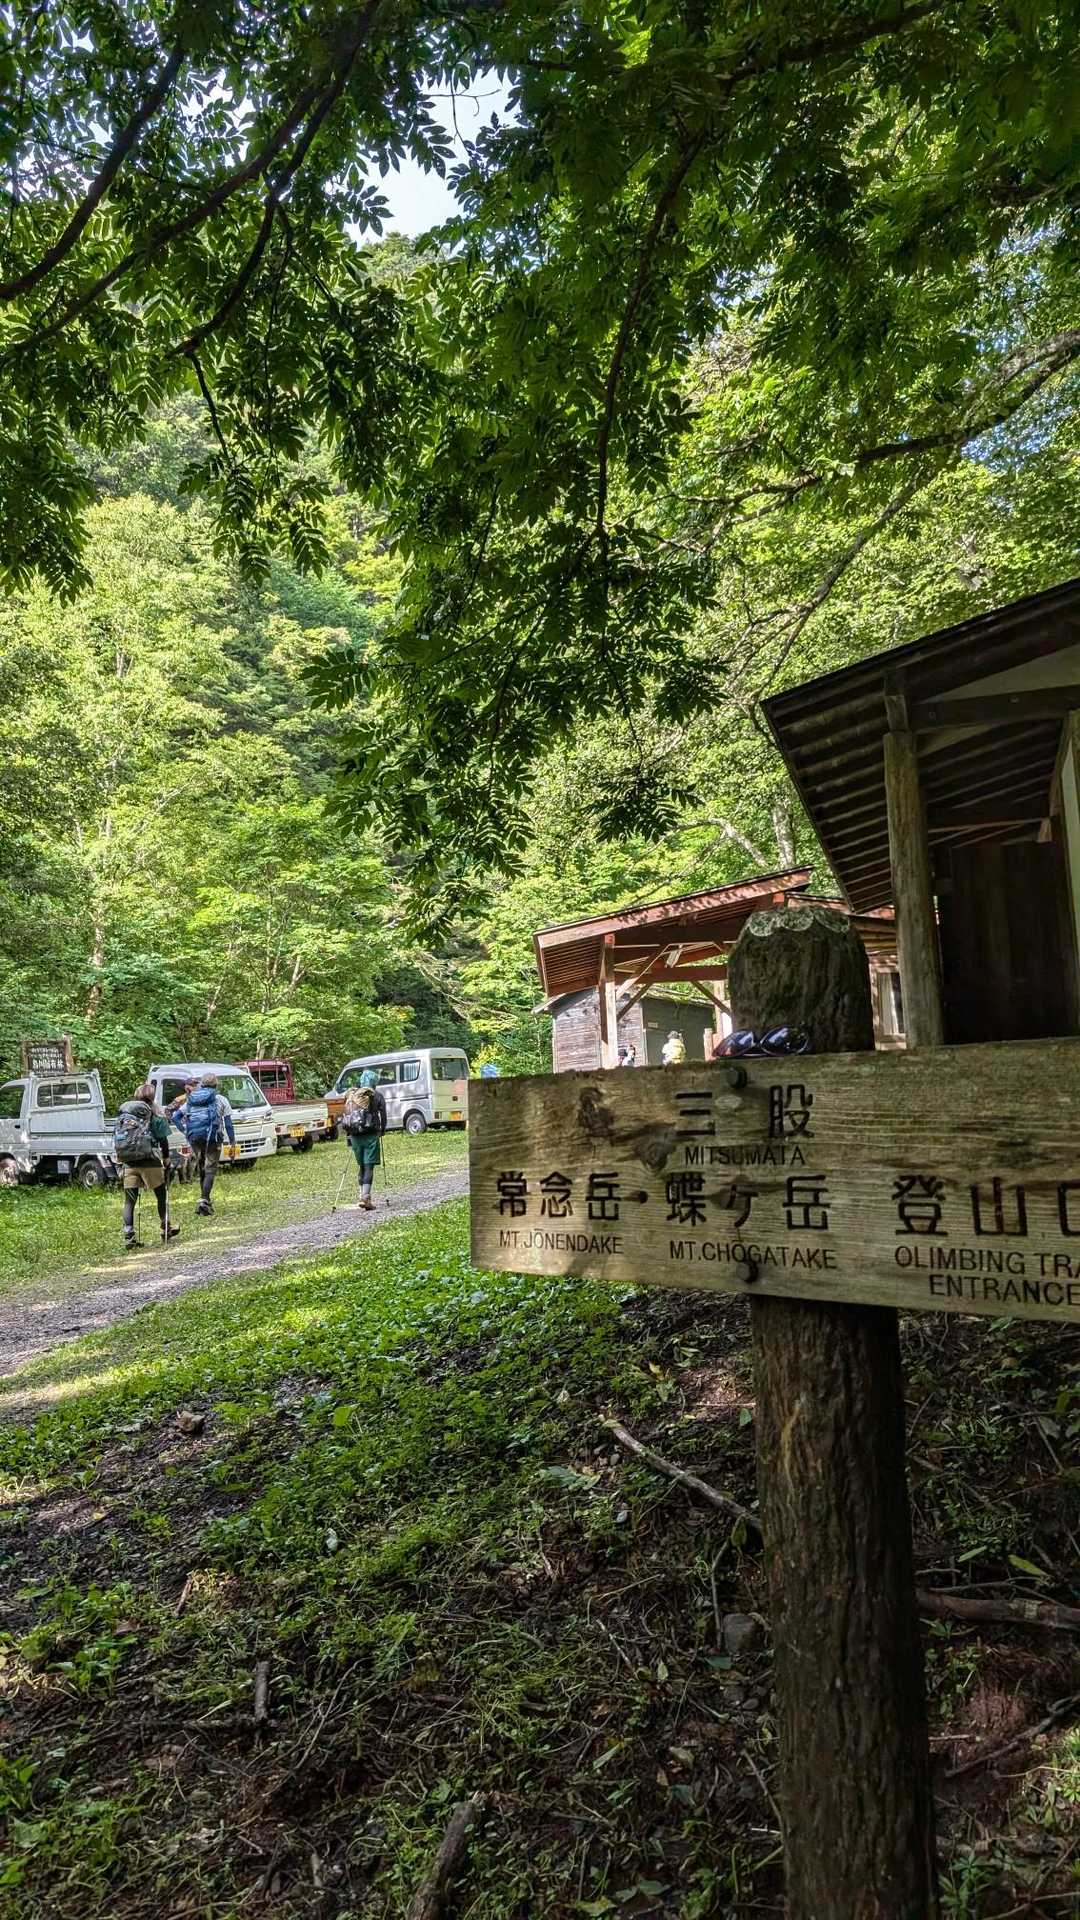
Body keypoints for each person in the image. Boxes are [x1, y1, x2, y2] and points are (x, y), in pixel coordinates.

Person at [113, 1082, 180, 1251]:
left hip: (129, 1162)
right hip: (150, 1161)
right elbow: (163, 1140)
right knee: (161, 1195)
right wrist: (166, 1159)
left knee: (129, 1201)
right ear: (152, 1097)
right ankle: (166, 1228)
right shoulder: (154, 1115)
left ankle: (129, 1236)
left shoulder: (125, 1116)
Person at [183, 1073, 236, 1217]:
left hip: (195, 1137)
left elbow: (176, 1116)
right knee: (210, 1169)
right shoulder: (221, 1099)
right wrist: (232, 1142)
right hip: (213, 1137)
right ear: (216, 1084)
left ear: (201, 1084)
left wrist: (185, 1131)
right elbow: (228, 1124)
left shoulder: (192, 1099)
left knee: (202, 1166)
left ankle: (205, 1200)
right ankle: (204, 1200)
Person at [343, 1067, 386, 1209]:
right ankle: (366, 1197)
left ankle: (361, 1195)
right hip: (370, 1135)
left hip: (355, 1136)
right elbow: (383, 1116)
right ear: (374, 1082)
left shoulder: (354, 1095)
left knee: (361, 1166)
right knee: (368, 1167)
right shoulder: (377, 1095)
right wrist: (382, 1131)